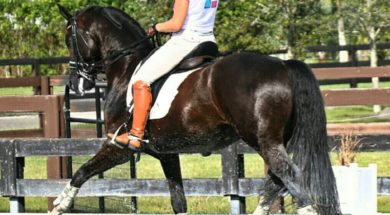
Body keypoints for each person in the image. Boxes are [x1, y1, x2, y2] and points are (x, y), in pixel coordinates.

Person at [108, 0, 219, 149]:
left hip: (185, 41)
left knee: (142, 79)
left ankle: (135, 135)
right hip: (208, 42)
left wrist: (156, 27)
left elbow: (176, 24)